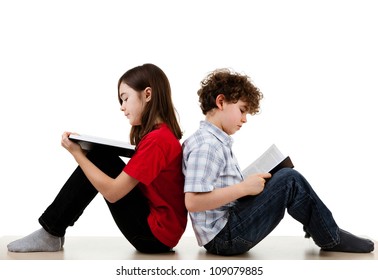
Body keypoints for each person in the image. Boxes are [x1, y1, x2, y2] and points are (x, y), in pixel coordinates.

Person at [182, 68, 374, 256]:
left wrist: (248, 184)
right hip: (225, 238)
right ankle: (330, 236)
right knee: (289, 179)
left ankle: (319, 226)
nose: (245, 119)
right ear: (221, 101)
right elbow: (192, 201)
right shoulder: (207, 146)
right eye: (242, 110)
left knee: (281, 178)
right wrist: (244, 188)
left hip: (226, 230)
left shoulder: (210, 140)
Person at [8, 63, 187, 254]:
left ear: (148, 95)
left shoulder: (157, 141)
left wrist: (78, 155)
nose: (122, 107)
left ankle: (51, 232)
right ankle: (53, 232)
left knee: (99, 158)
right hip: (159, 232)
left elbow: (113, 193)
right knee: (99, 156)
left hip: (154, 237)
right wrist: (85, 155)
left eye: (125, 99)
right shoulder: (161, 136)